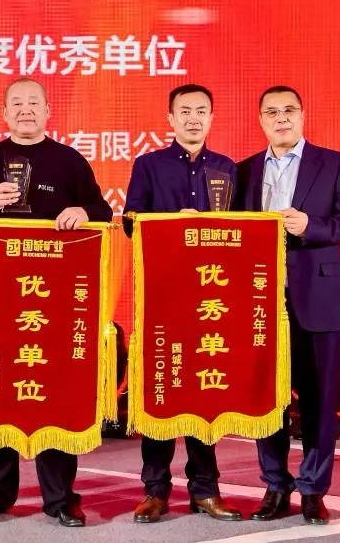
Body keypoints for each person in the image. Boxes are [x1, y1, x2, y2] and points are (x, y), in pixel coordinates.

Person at [0, 77, 112, 527]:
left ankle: (60, 498)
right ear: (4, 113)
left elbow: (102, 210)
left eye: (34, 103)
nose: (26, 110)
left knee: (52, 389)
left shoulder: (68, 160)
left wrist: (82, 212)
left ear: (47, 111)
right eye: (17, 104)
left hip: (51, 303)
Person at [235, 86, 340, 525]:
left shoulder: (335, 163)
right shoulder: (244, 171)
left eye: (289, 110)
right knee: (266, 399)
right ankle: (275, 484)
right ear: (261, 120)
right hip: (260, 300)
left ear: (303, 115)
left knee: (320, 400)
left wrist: (311, 225)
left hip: (320, 296)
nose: (281, 118)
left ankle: (313, 489)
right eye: (272, 112)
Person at [121, 84, 243, 524]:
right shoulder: (149, 165)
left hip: (211, 297)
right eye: (185, 111)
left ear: (212, 118)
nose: (194, 118)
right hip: (164, 294)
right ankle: (154, 491)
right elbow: (130, 221)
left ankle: (205, 490)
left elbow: (243, 231)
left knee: (203, 391)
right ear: (170, 119)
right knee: (161, 389)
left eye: (201, 111)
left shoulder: (227, 168)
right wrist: (173, 224)